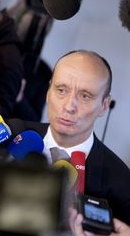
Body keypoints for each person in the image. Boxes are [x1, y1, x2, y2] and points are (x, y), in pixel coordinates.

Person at [22, 50, 130, 226]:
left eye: (85, 96)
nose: (69, 106)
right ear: (49, 92)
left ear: (104, 105)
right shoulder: (11, 135)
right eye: (61, 90)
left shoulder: (122, 184)